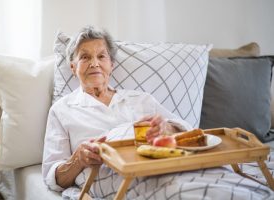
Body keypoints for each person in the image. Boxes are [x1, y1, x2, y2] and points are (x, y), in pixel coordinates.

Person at [42, 26, 272, 199]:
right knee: (179, 190)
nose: (94, 63)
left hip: (166, 163)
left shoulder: (140, 99)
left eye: (101, 56)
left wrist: (168, 129)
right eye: (84, 57)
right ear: (73, 67)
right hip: (111, 173)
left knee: (236, 180)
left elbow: (191, 135)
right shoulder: (62, 110)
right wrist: (77, 160)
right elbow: (53, 178)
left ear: (111, 64)